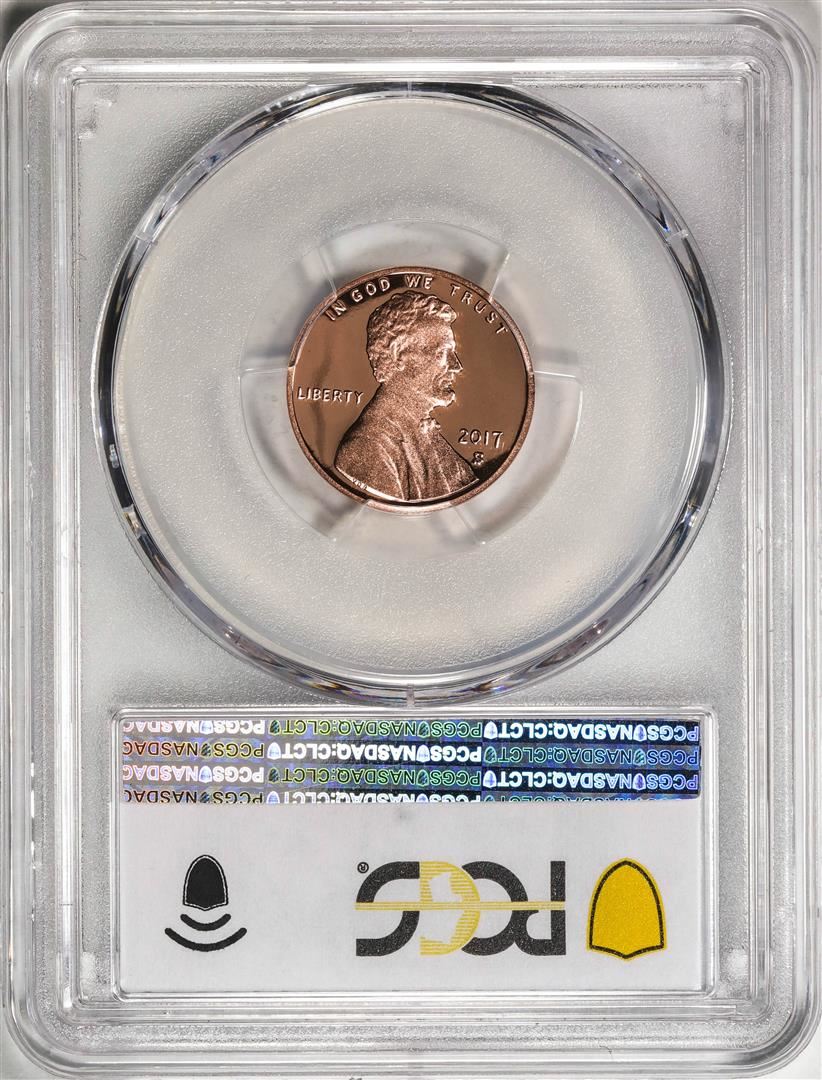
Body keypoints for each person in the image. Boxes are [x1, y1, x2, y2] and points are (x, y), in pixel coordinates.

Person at [335, 290, 475, 502]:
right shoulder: (369, 448)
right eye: (441, 353)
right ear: (398, 356)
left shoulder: (423, 431)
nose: (457, 366)